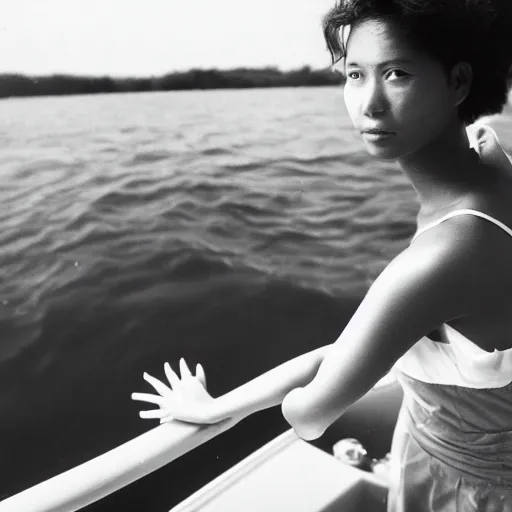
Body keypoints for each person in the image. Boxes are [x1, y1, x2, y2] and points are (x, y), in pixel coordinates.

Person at [132, 1, 512, 510]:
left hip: (466, 489)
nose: (369, 104)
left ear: (458, 81)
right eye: (355, 75)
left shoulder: (441, 259)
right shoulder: (495, 157)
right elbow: (360, 349)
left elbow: (310, 414)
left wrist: (216, 409)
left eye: (396, 73)